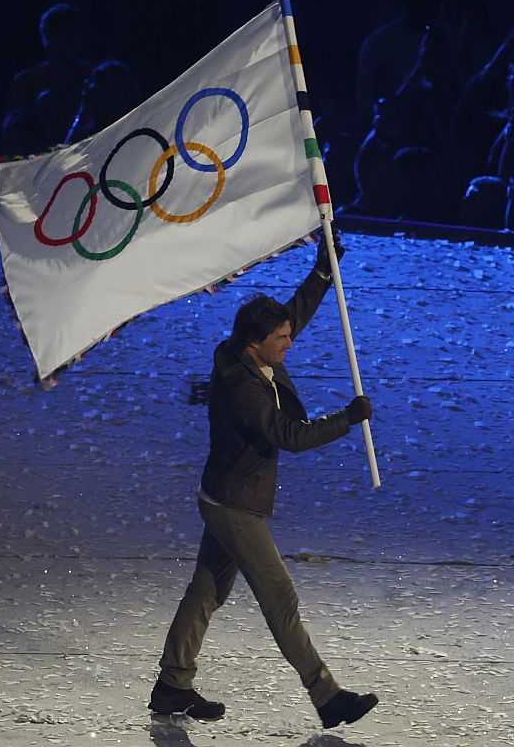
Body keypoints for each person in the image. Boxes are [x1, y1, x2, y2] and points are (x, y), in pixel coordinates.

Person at [149, 234, 379, 730]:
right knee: (280, 600)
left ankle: (172, 685)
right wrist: (347, 418)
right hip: (235, 505)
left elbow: (294, 314)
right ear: (257, 345)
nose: (290, 344)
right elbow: (288, 435)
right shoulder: (244, 387)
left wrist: (323, 270)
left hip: (224, 494)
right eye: (281, 340)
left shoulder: (249, 352)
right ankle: (327, 696)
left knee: (206, 592)